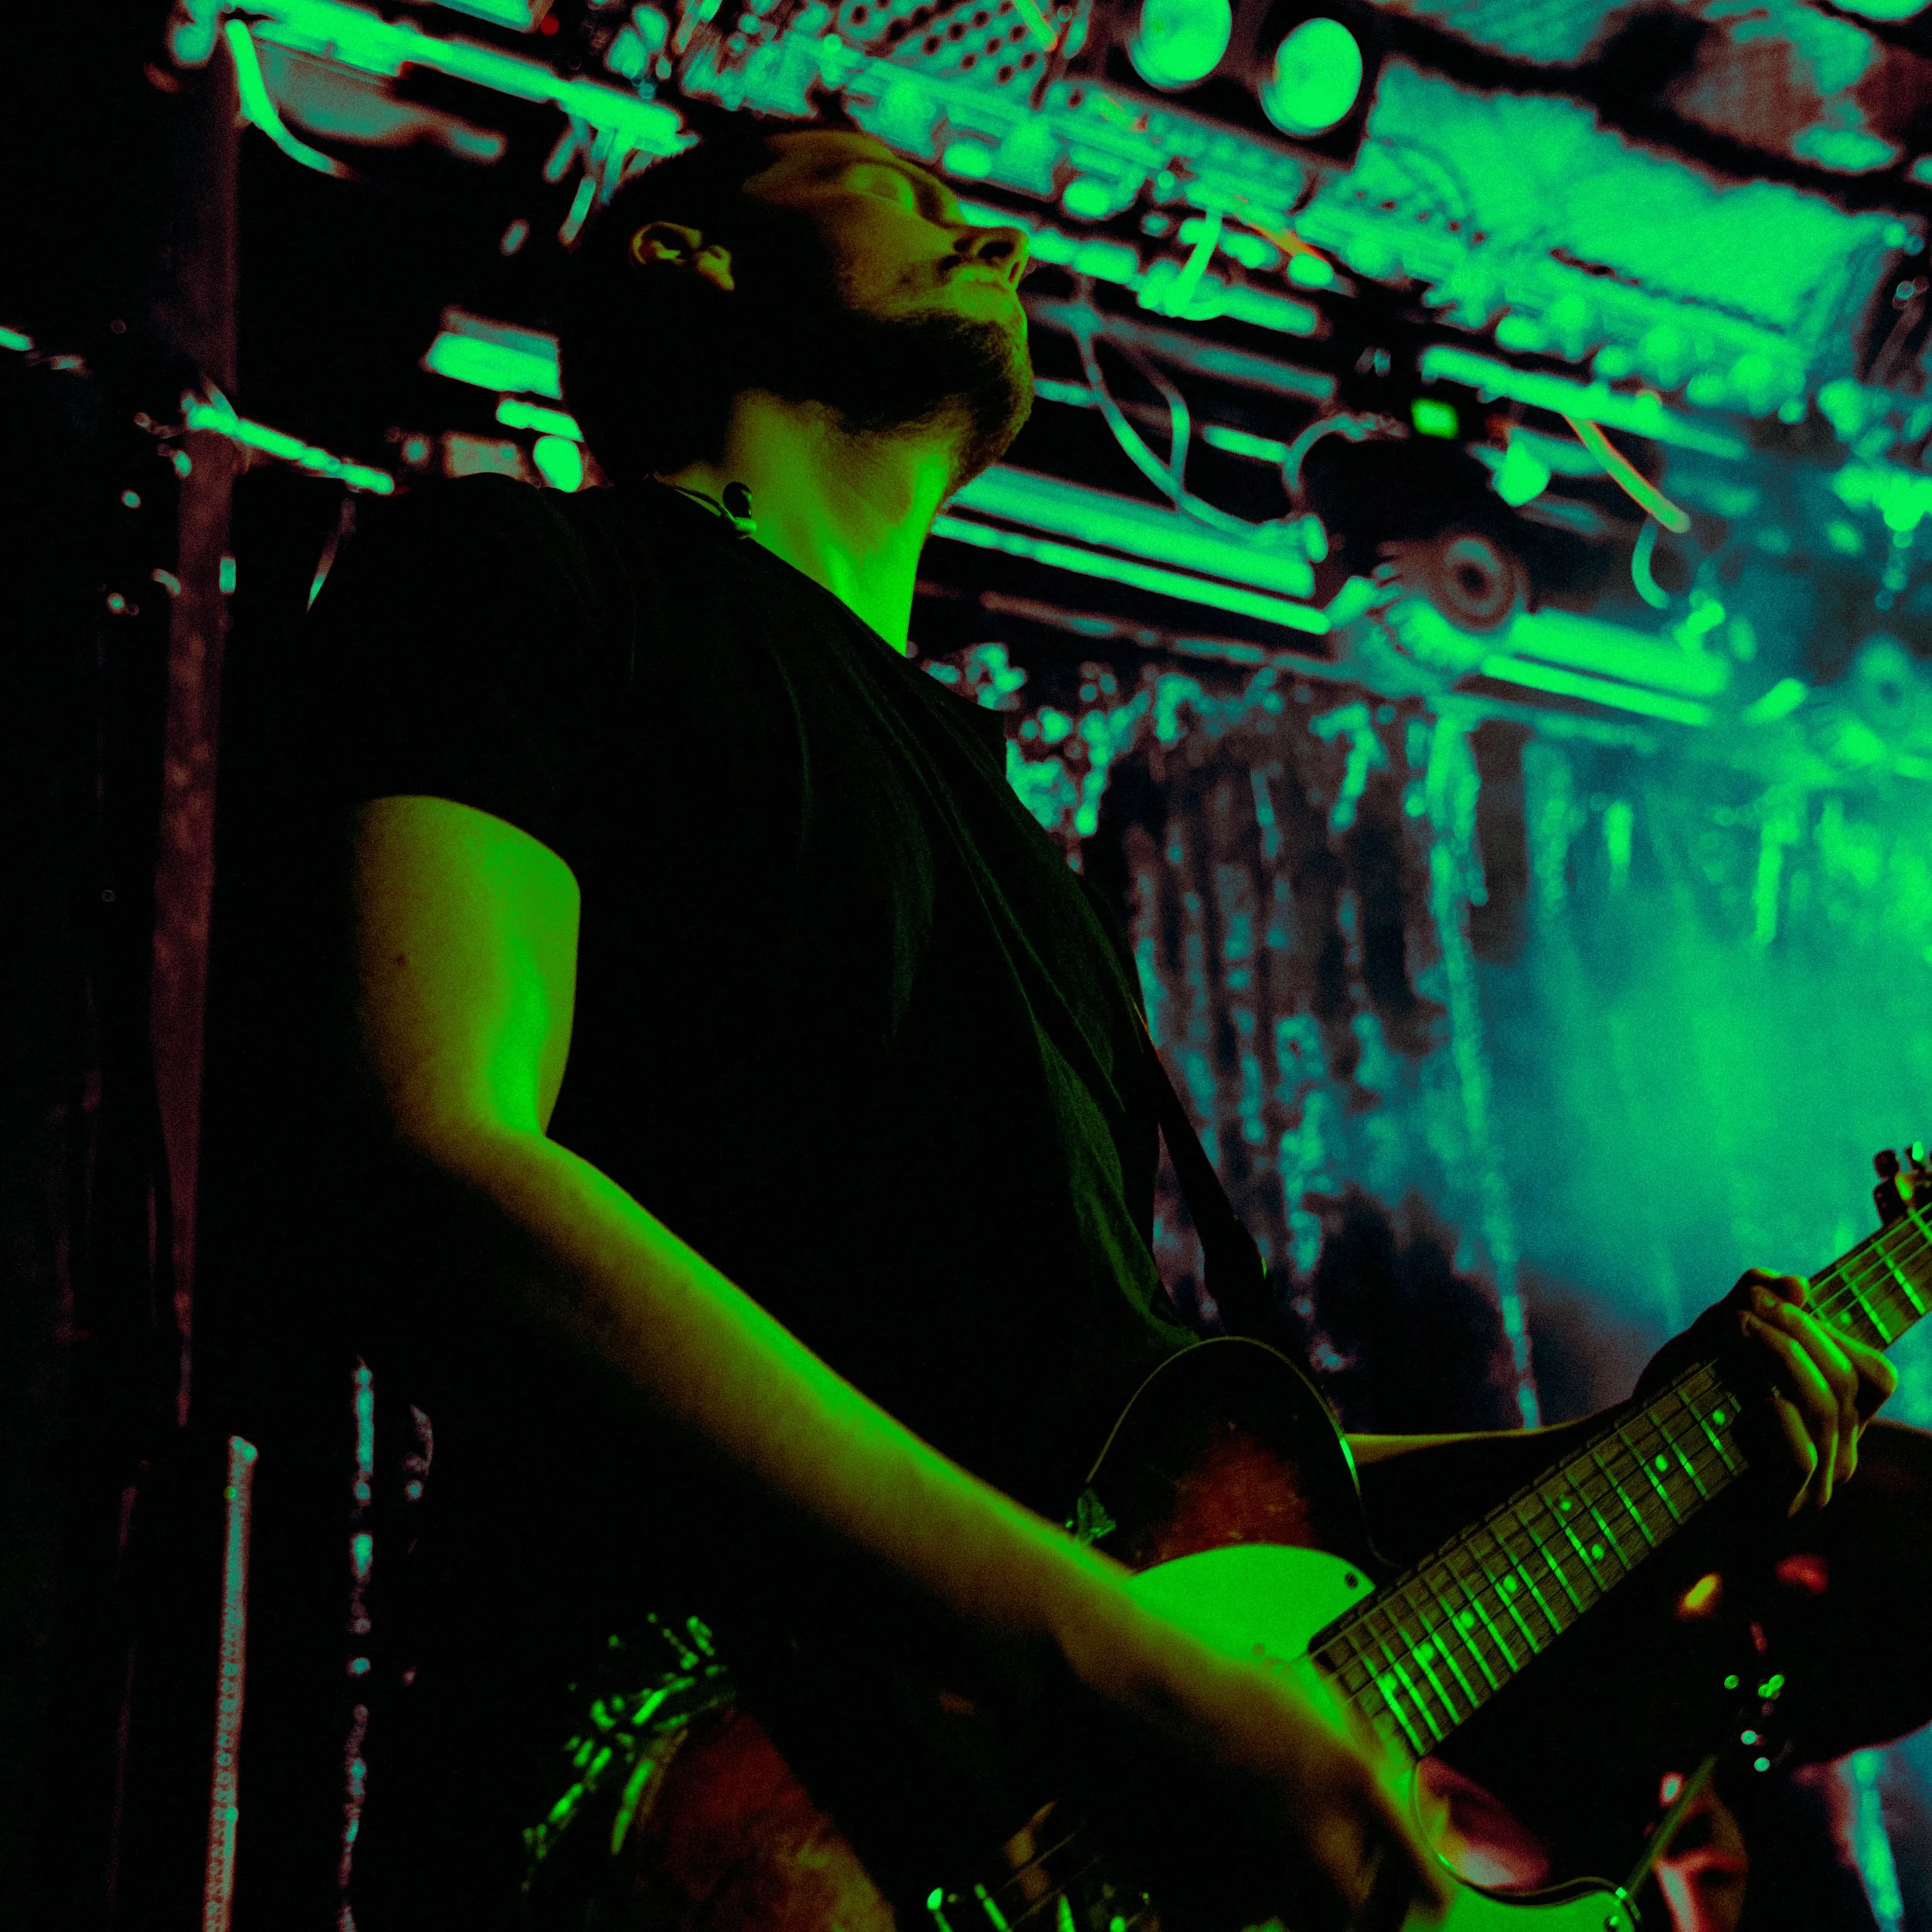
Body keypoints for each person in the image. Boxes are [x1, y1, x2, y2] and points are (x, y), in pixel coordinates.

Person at [174, 114, 1896, 1932]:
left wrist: (1626, 1446)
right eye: (886, 186)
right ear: (679, 259)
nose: (974, 215)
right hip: (690, 1807)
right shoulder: (526, 577)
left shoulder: (1023, 850)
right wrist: (1110, 1670)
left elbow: (1091, 1447)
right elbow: (445, 1161)